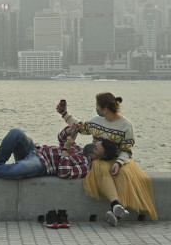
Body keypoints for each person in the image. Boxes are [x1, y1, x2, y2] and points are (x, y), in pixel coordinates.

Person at [60, 92, 157, 225]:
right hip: (100, 158)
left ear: (105, 109)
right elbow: (80, 127)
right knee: (101, 168)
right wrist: (65, 114)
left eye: (97, 106)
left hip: (120, 159)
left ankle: (115, 208)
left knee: (123, 174)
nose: (96, 109)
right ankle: (115, 206)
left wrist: (118, 163)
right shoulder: (96, 121)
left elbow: (126, 150)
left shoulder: (125, 126)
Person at [0, 125, 119, 179]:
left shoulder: (86, 165)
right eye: (95, 143)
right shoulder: (79, 149)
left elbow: (64, 172)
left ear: (98, 157)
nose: (92, 146)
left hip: (42, 165)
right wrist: (69, 131)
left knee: (17, 170)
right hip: (36, 150)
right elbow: (60, 138)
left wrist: (66, 149)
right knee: (16, 133)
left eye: (95, 148)